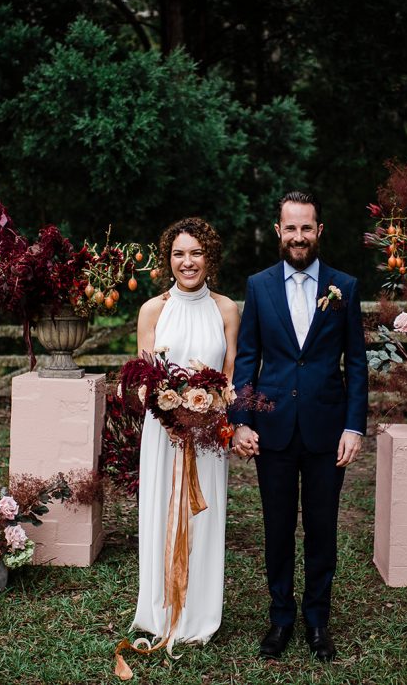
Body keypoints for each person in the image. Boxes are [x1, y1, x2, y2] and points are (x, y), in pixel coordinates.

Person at [230, 191, 369, 662]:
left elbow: (358, 365)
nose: (298, 236)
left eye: (306, 228)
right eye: (290, 228)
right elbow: (247, 361)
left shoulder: (344, 287)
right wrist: (240, 422)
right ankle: (280, 619)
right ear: (278, 231)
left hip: (328, 431)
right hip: (272, 430)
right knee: (277, 528)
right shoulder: (259, 285)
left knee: (322, 529)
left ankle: (317, 621)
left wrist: (354, 427)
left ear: (319, 231)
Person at [129, 217, 241, 650]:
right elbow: (141, 379)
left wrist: (209, 406)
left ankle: (199, 615)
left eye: (196, 252)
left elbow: (230, 378)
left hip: (209, 438)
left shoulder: (227, 309)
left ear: (209, 257)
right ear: (167, 259)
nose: (187, 261)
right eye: (179, 253)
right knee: (160, 514)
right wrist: (168, 405)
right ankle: (160, 611)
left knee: (205, 518)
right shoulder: (152, 310)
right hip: (163, 436)